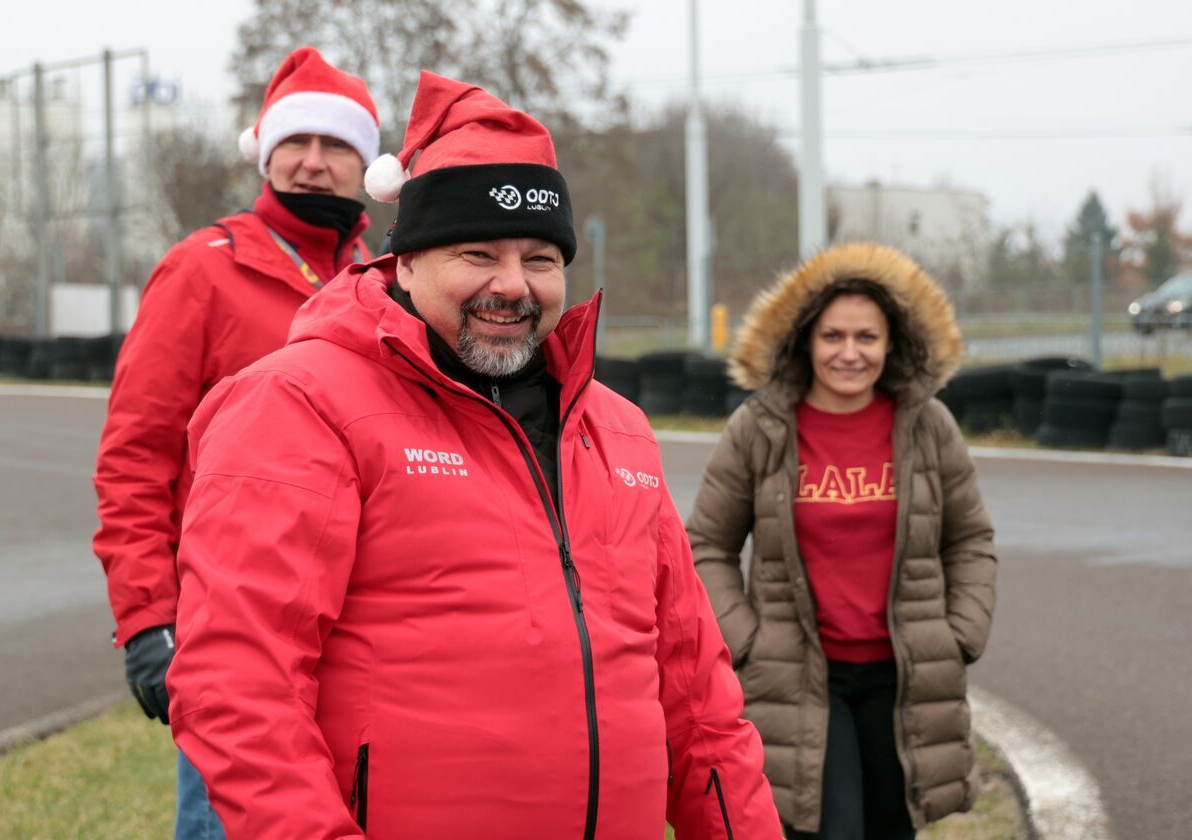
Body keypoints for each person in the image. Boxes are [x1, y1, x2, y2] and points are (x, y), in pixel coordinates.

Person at [165, 70, 781, 839]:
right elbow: (238, 684)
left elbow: (700, 707)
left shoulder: (617, 431)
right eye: (477, 253)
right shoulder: (299, 403)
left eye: (541, 259)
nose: (512, 286)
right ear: (405, 262)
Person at [91, 46, 380, 839]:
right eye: (297, 143)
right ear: (265, 151)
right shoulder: (200, 271)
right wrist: (149, 619)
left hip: (364, 635)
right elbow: (134, 456)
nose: (315, 164)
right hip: (235, 635)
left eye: (337, 147)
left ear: (368, 163)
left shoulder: (382, 287)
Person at [686, 243, 998, 839]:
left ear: (892, 344)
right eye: (833, 337)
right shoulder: (760, 428)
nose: (849, 353)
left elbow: (971, 539)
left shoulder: (929, 426)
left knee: (892, 828)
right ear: (806, 339)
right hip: (801, 676)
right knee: (829, 827)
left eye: (866, 338)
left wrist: (961, 633)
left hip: (903, 674)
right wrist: (746, 642)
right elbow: (705, 545)